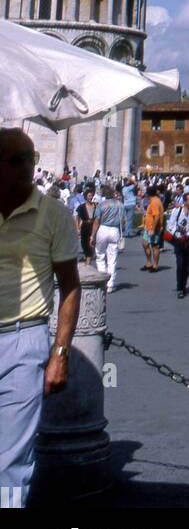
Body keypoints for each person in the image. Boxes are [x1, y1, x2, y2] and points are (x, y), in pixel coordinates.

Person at [0, 127, 81, 507]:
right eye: (17, 160)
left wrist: (59, 355)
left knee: (11, 462)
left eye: (31, 158)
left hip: (23, 341)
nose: (28, 167)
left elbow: (71, 286)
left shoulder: (54, 215)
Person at [91, 185, 126, 293]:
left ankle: (102, 281)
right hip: (115, 230)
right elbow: (123, 221)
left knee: (100, 256)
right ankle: (111, 284)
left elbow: (97, 221)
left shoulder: (101, 205)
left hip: (103, 228)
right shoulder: (120, 205)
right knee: (112, 258)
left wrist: (92, 235)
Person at [167, 191, 189, 298]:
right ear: (185, 201)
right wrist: (178, 229)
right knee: (180, 265)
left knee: (186, 266)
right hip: (179, 240)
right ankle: (180, 288)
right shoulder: (177, 211)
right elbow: (170, 225)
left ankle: (183, 283)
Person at [141, 184, 165, 272]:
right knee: (145, 244)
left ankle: (155, 265)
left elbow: (157, 216)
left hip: (153, 227)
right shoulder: (152, 200)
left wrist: (153, 229)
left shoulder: (155, 201)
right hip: (148, 227)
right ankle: (148, 263)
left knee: (155, 246)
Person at [74, 186, 96, 264]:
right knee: (85, 247)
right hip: (85, 228)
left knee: (91, 248)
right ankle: (87, 264)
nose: (91, 197)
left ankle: (88, 264)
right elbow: (77, 218)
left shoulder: (96, 206)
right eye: (89, 196)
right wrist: (77, 228)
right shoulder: (81, 207)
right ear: (86, 197)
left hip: (93, 227)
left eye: (92, 195)